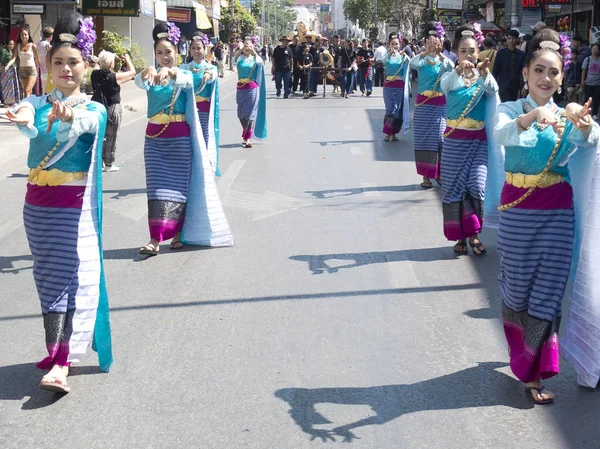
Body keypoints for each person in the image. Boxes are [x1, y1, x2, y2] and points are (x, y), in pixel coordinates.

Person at [5, 12, 112, 393]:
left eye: (74, 62)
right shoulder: (35, 101)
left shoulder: (93, 109)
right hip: (36, 207)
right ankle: (54, 350)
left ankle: (63, 360)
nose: (66, 69)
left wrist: (66, 120)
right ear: (47, 66)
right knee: (47, 279)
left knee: (69, 280)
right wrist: (21, 117)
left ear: (87, 65)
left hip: (73, 208)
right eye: (58, 63)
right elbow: (31, 121)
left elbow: (83, 127)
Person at [492, 29, 599, 403]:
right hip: (518, 212)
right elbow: (501, 135)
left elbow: (590, 139)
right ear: (525, 73)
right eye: (539, 70)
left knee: (550, 292)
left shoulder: (566, 115)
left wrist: (586, 128)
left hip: (557, 211)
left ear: (561, 78)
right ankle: (522, 356)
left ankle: (534, 373)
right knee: (518, 288)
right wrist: (532, 117)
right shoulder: (510, 110)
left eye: (553, 73)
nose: (545, 78)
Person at [136, 22, 233, 256]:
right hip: (154, 139)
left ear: (177, 52)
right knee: (156, 190)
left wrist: (172, 72)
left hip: (179, 139)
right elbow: (139, 82)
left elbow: (189, 82)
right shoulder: (151, 74)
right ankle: (155, 239)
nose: (164, 56)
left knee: (179, 189)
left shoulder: (185, 73)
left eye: (168, 52)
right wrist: (145, 72)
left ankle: (177, 235)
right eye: (159, 52)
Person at [440, 25, 498, 256]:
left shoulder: (483, 77)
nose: (468, 55)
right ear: (457, 53)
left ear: (478, 52)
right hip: (455, 141)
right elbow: (446, 86)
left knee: (477, 186)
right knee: (455, 190)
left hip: (478, 141)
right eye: (463, 51)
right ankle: (463, 238)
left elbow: (493, 90)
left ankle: (474, 232)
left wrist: (483, 72)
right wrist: (457, 71)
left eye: (472, 51)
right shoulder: (449, 77)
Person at [411, 24, 454, 189]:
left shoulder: (444, 61)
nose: (432, 44)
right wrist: (425, 52)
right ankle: (426, 177)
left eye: (434, 41)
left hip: (439, 105)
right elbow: (413, 63)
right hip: (423, 104)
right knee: (423, 141)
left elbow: (452, 67)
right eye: (429, 41)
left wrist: (441, 54)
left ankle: (440, 173)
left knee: (439, 139)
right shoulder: (421, 59)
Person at [180, 33, 220, 171]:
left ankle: (203, 166)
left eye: (199, 48)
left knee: (203, 136)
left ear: (204, 50)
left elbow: (212, 77)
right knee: (189, 137)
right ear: (190, 50)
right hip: (188, 108)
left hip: (204, 109)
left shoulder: (211, 68)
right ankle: (190, 164)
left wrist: (208, 75)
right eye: (194, 48)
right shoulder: (184, 68)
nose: (196, 51)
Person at [91, 51, 135, 173]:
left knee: (99, 136)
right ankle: (109, 164)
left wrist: (102, 58)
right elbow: (132, 73)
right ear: (111, 64)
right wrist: (127, 59)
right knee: (112, 136)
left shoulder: (94, 74)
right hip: (112, 108)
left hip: (98, 108)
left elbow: (97, 65)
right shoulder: (114, 77)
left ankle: (98, 162)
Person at [235, 38, 267, 148]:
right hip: (240, 88)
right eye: (245, 46)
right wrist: (239, 51)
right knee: (241, 114)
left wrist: (254, 53)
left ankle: (248, 138)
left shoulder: (255, 59)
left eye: (249, 46)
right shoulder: (240, 59)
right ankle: (246, 131)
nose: (247, 48)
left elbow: (261, 63)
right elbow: (233, 61)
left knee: (250, 113)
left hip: (252, 88)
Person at [382, 33, 411, 141]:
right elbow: (383, 61)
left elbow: (409, 62)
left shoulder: (402, 56)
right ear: (389, 45)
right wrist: (389, 54)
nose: (395, 46)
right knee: (389, 109)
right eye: (392, 44)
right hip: (388, 86)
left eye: (396, 44)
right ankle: (388, 132)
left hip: (398, 86)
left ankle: (393, 133)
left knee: (397, 109)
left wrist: (405, 55)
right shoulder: (387, 55)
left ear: (400, 45)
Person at [5, 27, 41, 98]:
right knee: (28, 91)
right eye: (22, 35)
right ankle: (31, 106)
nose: (24, 36)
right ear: (20, 36)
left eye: (25, 34)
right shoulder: (17, 46)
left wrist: (42, 70)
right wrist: (8, 65)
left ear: (28, 35)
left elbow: (37, 59)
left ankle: (25, 106)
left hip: (32, 71)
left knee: (26, 90)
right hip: (22, 71)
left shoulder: (33, 46)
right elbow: (13, 58)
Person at [493, 29, 525, 102]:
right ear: (506, 39)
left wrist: (524, 85)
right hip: (503, 83)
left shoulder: (521, 54)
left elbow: (524, 71)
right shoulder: (501, 53)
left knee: (514, 103)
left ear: (517, 39)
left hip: (516, 84)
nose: (511, 40)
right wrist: (493, 84)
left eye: (513, 38)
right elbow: (495, 70)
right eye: (509, 38)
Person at [581, 43, 600, 120]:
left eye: (597, 49)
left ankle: (594, 114)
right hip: (588, 83)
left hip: (598, 83)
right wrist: (582, 81)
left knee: (596, 99)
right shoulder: (587, 59)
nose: (595, 51)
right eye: (593, 49)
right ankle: (585, 113)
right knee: (587, 99)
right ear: (591, 50)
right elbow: (584, 71)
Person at [0, 40, 21, 106]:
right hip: (6, 70)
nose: (11, 46)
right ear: (7, 44)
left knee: (12, 86)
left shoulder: (11, 51)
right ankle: (7, 102)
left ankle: (13, 101)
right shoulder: (3, 51)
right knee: (6, 86)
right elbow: (2, 60)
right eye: (10, 44)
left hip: (11, 70)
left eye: (13, 44)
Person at [36, 27, 53, 94]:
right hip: (49, 70)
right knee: (50, 90)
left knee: (44, 89)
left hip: (42, 70)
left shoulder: (38, 44)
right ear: (51, 36)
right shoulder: (48, 45)